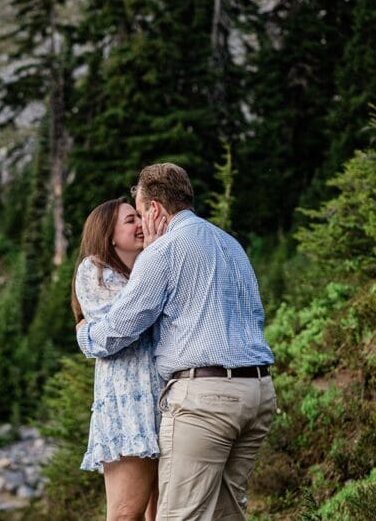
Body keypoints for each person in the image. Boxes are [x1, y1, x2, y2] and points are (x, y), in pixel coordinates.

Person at [76, 163, 277, 521]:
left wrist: (84, 333)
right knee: (226, 514)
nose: (142, 224)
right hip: (258, 393)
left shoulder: (164, 250)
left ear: (154, 209)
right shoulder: (229, 244)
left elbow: (118, 330)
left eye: (140, 213)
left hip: (207, 399)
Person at [72, 197, 169, 521]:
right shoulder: (95, 270)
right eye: (131, 220)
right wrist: (152, 257)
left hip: (164, 402)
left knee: (162, 514)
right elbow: (125, 324)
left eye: (140, 217)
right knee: (126, 513)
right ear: (108, 234)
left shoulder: (151, 268)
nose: (141, 224)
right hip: (128, 407)